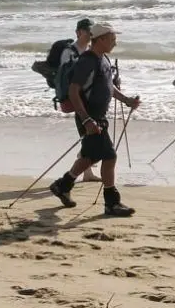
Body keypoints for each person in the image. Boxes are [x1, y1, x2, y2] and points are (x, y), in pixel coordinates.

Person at [49, 23, 141, 215]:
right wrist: (86, 121)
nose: (115, 43)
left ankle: (62, 185)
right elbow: (74, 91)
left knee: (91, 156)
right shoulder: (87, 61)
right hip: (89, 116)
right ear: (100, 39)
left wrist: (126, 100)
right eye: (112, 39)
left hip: (98, 117)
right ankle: (111, 203)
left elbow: (108, 86)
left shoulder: (103, 59)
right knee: (110, 156)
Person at [60, 18, 100, 183]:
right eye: (86, 31)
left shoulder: (91, 50)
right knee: (88, 136)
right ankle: (78, 170)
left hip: (92, 98)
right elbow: (67, 78)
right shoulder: (70, 52)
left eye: (91, 32)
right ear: (78, 32)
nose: (90, 34)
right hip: (78, 100)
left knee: (89, 136)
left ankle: (87, 172)